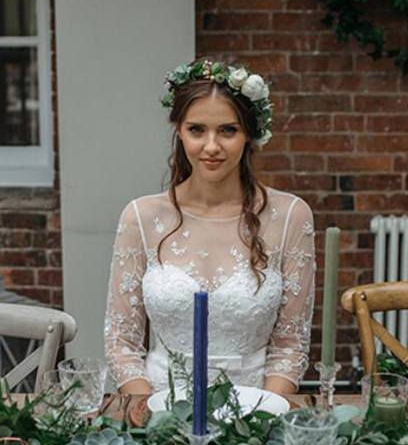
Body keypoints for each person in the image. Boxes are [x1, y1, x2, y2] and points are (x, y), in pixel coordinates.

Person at [104, 58, 315, 396]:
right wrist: (150, 416)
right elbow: (122, 344)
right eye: (197, 130)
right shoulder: (139, 218)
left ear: (249, 134)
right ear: (179, 131)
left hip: (257, 409)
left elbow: (289, 346)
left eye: (228, 130)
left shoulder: (291, 215)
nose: (212, 146)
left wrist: (267, 416)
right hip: (160, 409)